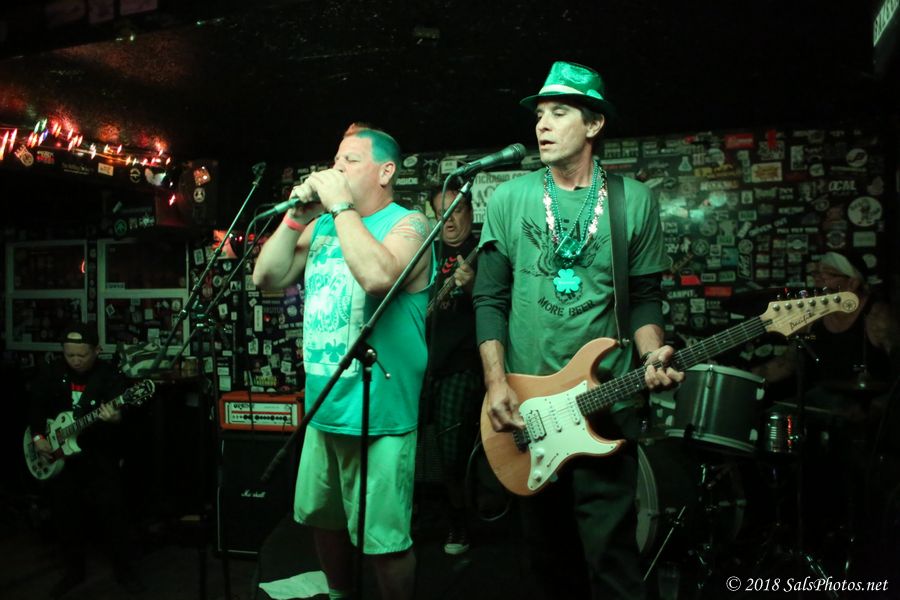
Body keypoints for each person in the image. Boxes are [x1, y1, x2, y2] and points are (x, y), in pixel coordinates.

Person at [472, 61, 683, 599]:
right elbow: (490, 297)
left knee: (613, 563)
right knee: (548, 565)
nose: (542, 124)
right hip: (529, 407)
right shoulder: (509, 198)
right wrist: (496, 383)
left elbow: (644, 300)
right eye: (540, 114)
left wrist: (652, 354)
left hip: (605, 402)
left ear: (593, 124)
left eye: (559, 112)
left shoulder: (633, 200)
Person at [252, 124, 432, 600]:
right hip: (323, 408)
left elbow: (377, 276)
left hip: (380, 415)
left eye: (350, 160)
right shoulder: (323, 226)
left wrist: (340, 208)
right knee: (324, 520)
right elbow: (266, 276)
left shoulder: (410, 225)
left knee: (384, 543)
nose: (337, 168)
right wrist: (295, 219)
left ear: (386, 172)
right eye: (336, 160)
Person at [27, 322, 142, 598]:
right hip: (62, 460)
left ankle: (124, 571)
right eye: (70, 355)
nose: (76, 360)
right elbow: (35, 406)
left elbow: (126, 417)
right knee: (66, 516)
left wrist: (115, 417)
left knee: (113, 514)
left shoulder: (109, 375)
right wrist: (38, 437)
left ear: (97, 350)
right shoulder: (52, 372)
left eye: (82, 355)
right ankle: (73, 571)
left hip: (98, 455)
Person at [423, 187, 481, 555]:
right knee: (403, 443)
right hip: (422, 364)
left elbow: (503, 306)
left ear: (470, 212)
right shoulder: (426, 253)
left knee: (452, 451)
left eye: (456, 210)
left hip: (462, 365)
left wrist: (474, 286)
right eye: (441, 212)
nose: (449, 220)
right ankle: (409, 512)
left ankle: (459, 522)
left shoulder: (485, 251)